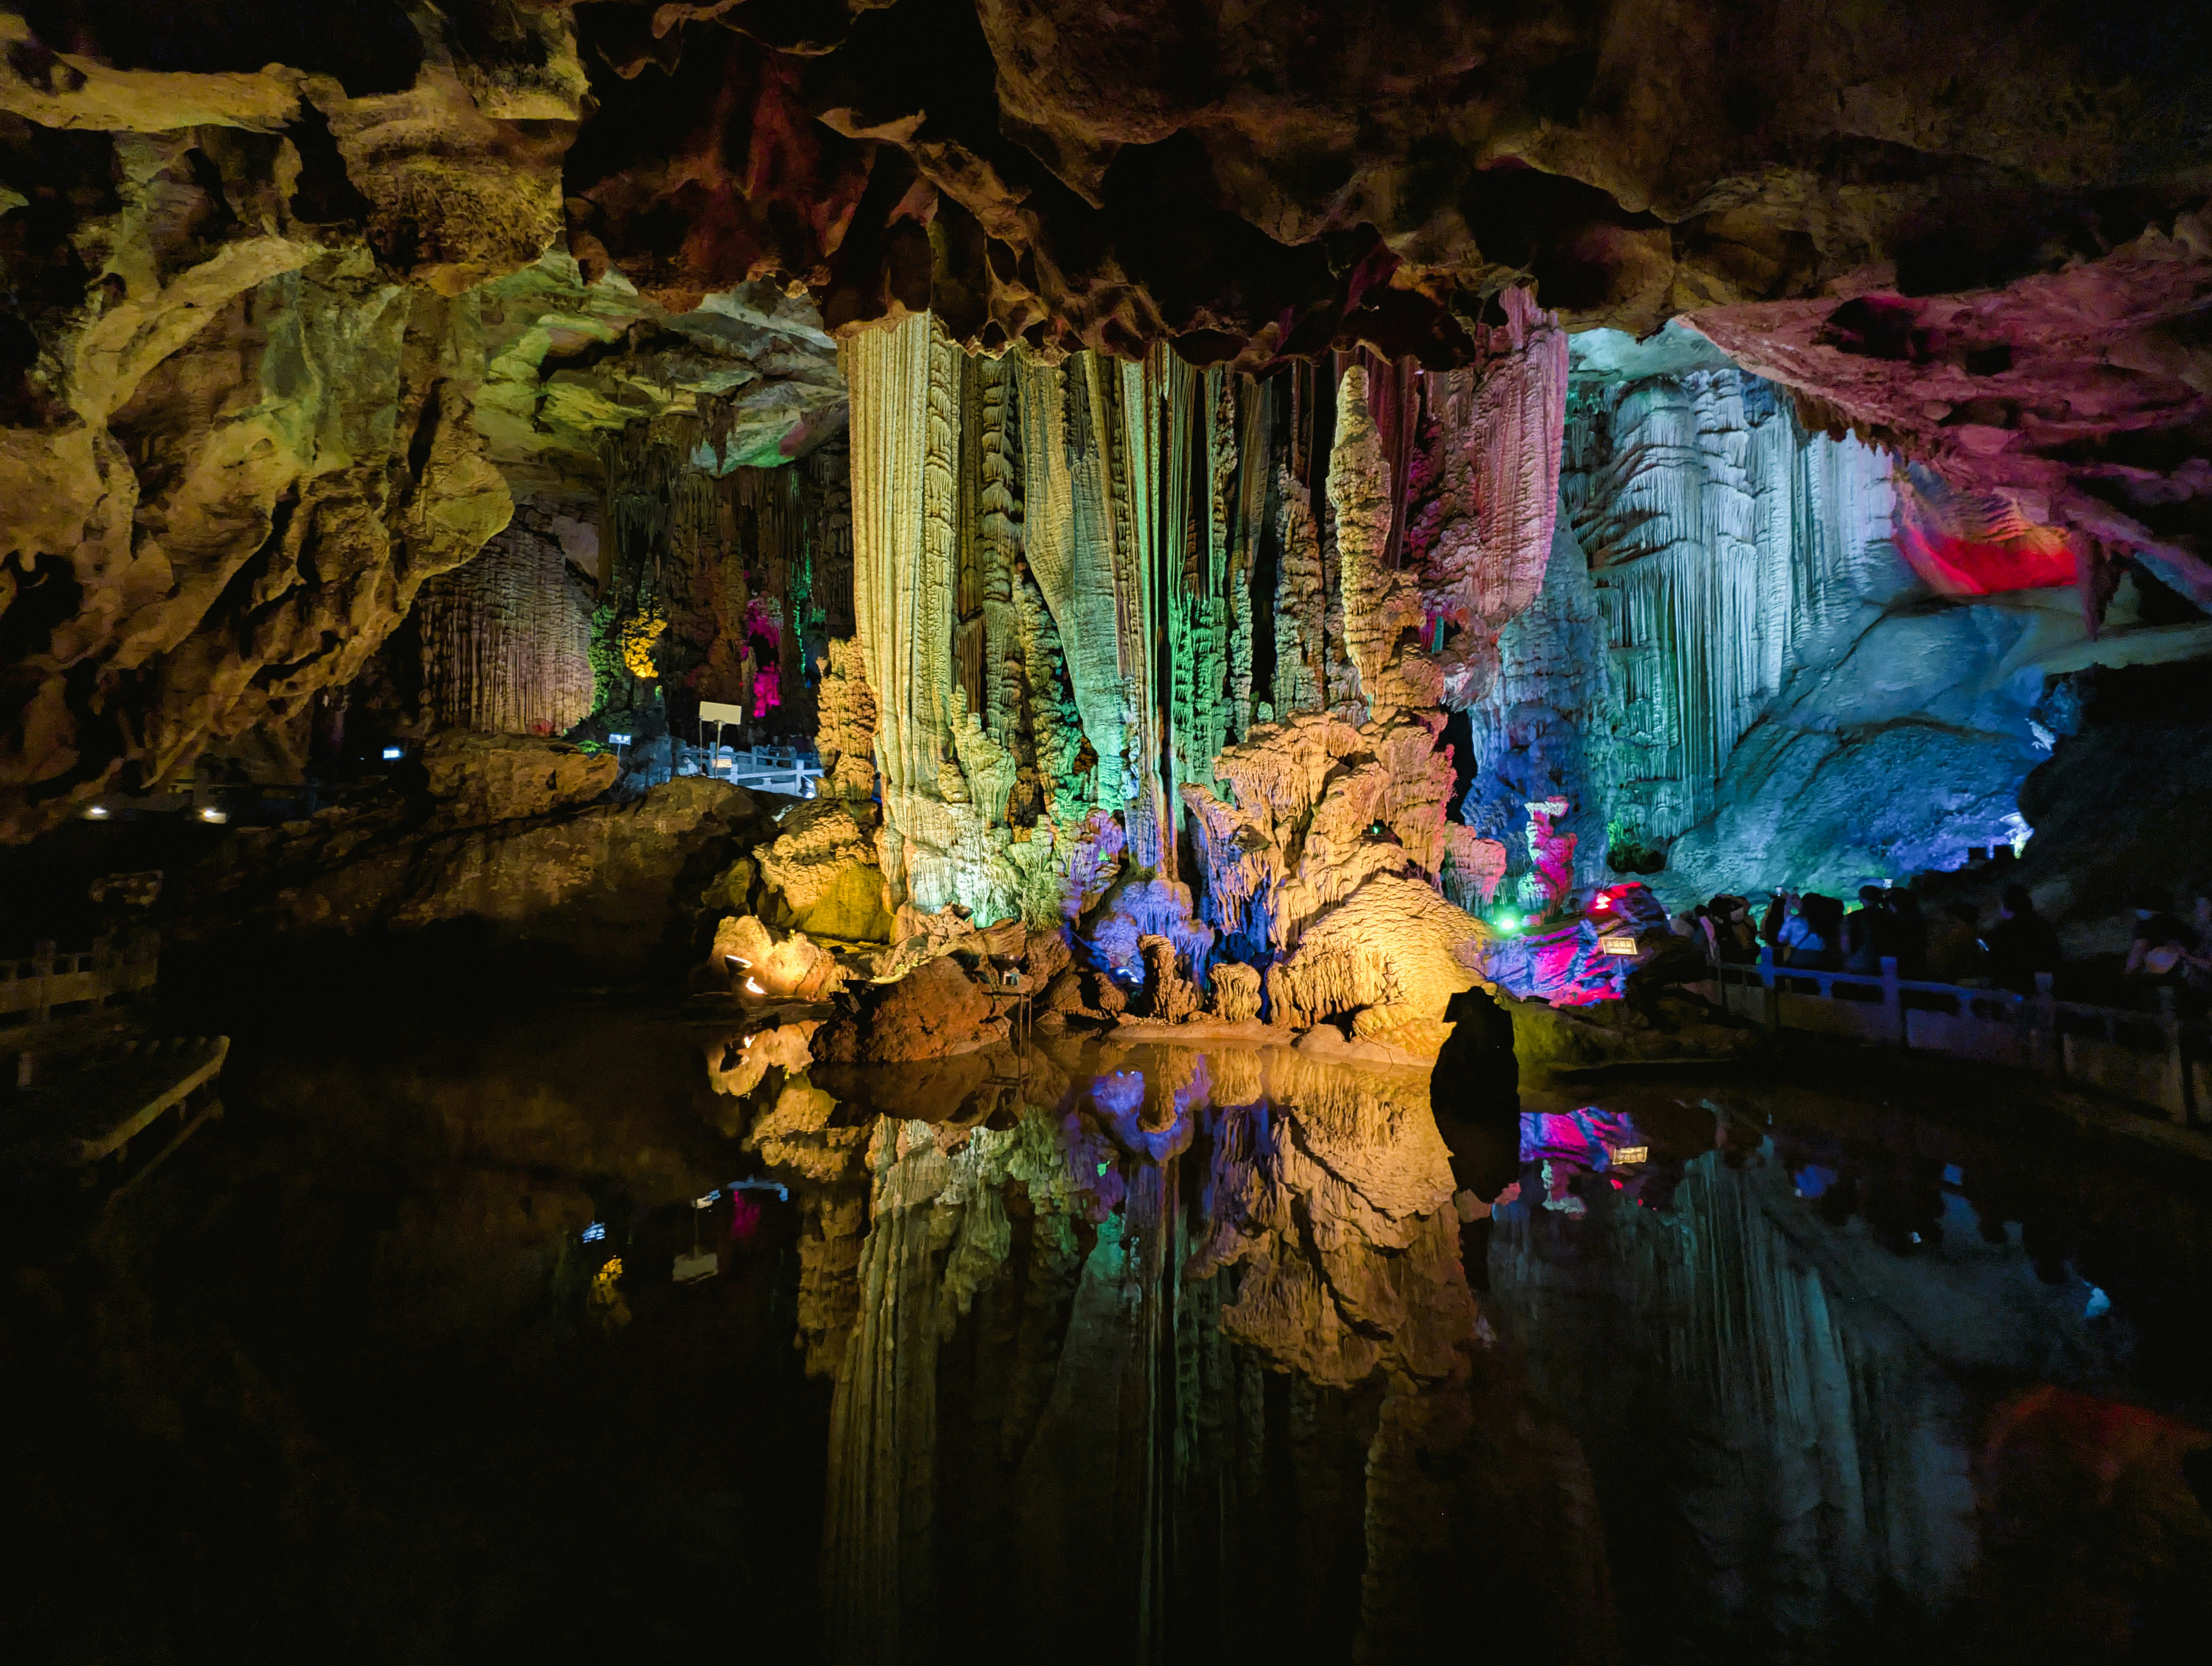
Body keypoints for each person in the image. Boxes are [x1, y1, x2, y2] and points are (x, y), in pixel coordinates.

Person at [1985, 884, 2061, 995]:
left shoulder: (2004, 930)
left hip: (2017, 987)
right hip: (2047, 983)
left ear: (2008, 906)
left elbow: (1996, 962)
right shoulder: (2043, 924)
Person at [2123, 890, 2200, 980]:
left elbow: (2137, 957)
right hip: (2189, 979)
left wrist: (2126, 977)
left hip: (2159, 980)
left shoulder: (2146, 926)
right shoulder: (2182, 926)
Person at [1843, 885, 1898, 974]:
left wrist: (1847, 960)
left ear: (1861, 900)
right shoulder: (1890, 917)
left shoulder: (1853, 917)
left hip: (1859, 962)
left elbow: (1846, 941)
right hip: (1886, 963)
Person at [1926, 902, 1987, 983]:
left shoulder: (1958, 936)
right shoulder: (1980, 939)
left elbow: (1940, 960)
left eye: (1953, 924)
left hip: (1953, 982)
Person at [1885, 890, 1929, 980]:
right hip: (1921, 962)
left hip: (1901, 965)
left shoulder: (1894, 922)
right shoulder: (1921, 919)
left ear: (1893, 904)